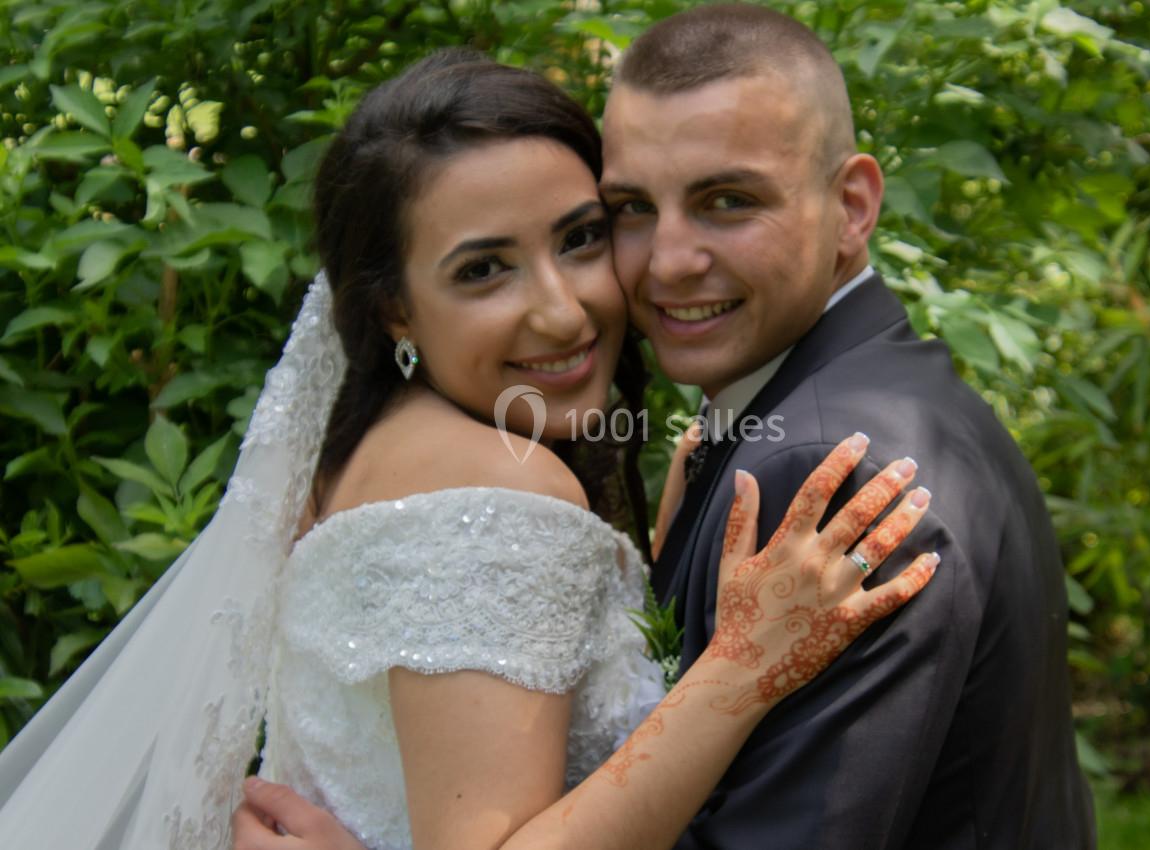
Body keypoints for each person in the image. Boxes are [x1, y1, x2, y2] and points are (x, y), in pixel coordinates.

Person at [0, 49, 940, 850]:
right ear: (394, 308)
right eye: (483, 269)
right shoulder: (495, 482)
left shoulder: (366, 448)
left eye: (580, 239)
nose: (563, 309)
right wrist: (741, 669)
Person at [241, 4, 1097, 849]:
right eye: (632, 211)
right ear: (394, 309)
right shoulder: (830, 412)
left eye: (727, 201)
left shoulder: (831, 472)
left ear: (853, 206)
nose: (668, 262)